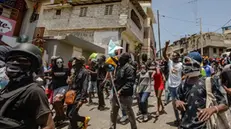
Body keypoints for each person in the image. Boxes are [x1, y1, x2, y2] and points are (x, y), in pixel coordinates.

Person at [0, 43, 54, 129]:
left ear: (33, 66)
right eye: (11, 59)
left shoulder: (33, 91)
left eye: (21, 60)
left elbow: (48, 126)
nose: (14, 63)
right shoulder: (6, 87)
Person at [176, 52, 228, 129]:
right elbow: (177, 100)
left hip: (204, 126)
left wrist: (213, 109)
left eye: (188, 62)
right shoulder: (183, 84)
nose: (185, 65)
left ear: (196, 64)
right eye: (185, 62)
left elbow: (225, 105)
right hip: (184, 125)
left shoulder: (208, 82)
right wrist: (177, 102)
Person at [109, 53, 137, 129]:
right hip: (116, 93)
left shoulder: (129, 68)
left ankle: (134, 127)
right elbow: (118, 78)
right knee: (113, 111)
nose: (119, 59)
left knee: (129, 112)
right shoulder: (119, 66)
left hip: (126, 95)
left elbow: (130, 82)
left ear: (124, 59)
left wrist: (121, 90)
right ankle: (112, 127)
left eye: (120, 58)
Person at [66, 56, 90, 129]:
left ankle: (83, 120)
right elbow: (70, 84)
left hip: (78, 95)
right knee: (68, 114)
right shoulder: (75, 71)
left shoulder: (85, 72)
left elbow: (84, 86)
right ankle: (74, 126)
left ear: (80, 63)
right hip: (71, 95)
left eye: (76, 61)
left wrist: (82, 99)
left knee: (71, 115)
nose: (74, 62)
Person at [163, 40, 182, 125]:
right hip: (171, 86)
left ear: (178, 57)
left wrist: (182, 79)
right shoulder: (170, 62)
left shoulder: (181, 65)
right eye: (172, 55)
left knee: (180, 104)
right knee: (174, 105)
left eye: (175, 56)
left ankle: (183, 117)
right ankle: (178, 119)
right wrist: (166, 45)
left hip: (179, 86)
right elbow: (164, 55)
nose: (173, 57)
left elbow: (185, 74)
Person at [50, 57, 69, 123]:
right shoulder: (53, 69)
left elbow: (70, 76)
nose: (59, 64)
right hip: (55, 87)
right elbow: (52, 77)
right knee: (54, 103)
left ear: (63, 62)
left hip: (64, 87)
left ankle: (62, 115)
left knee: (57, 99)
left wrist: (69, 80)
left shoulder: (66, 69)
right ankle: (58, 116)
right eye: (57, 62)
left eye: (61, 62)